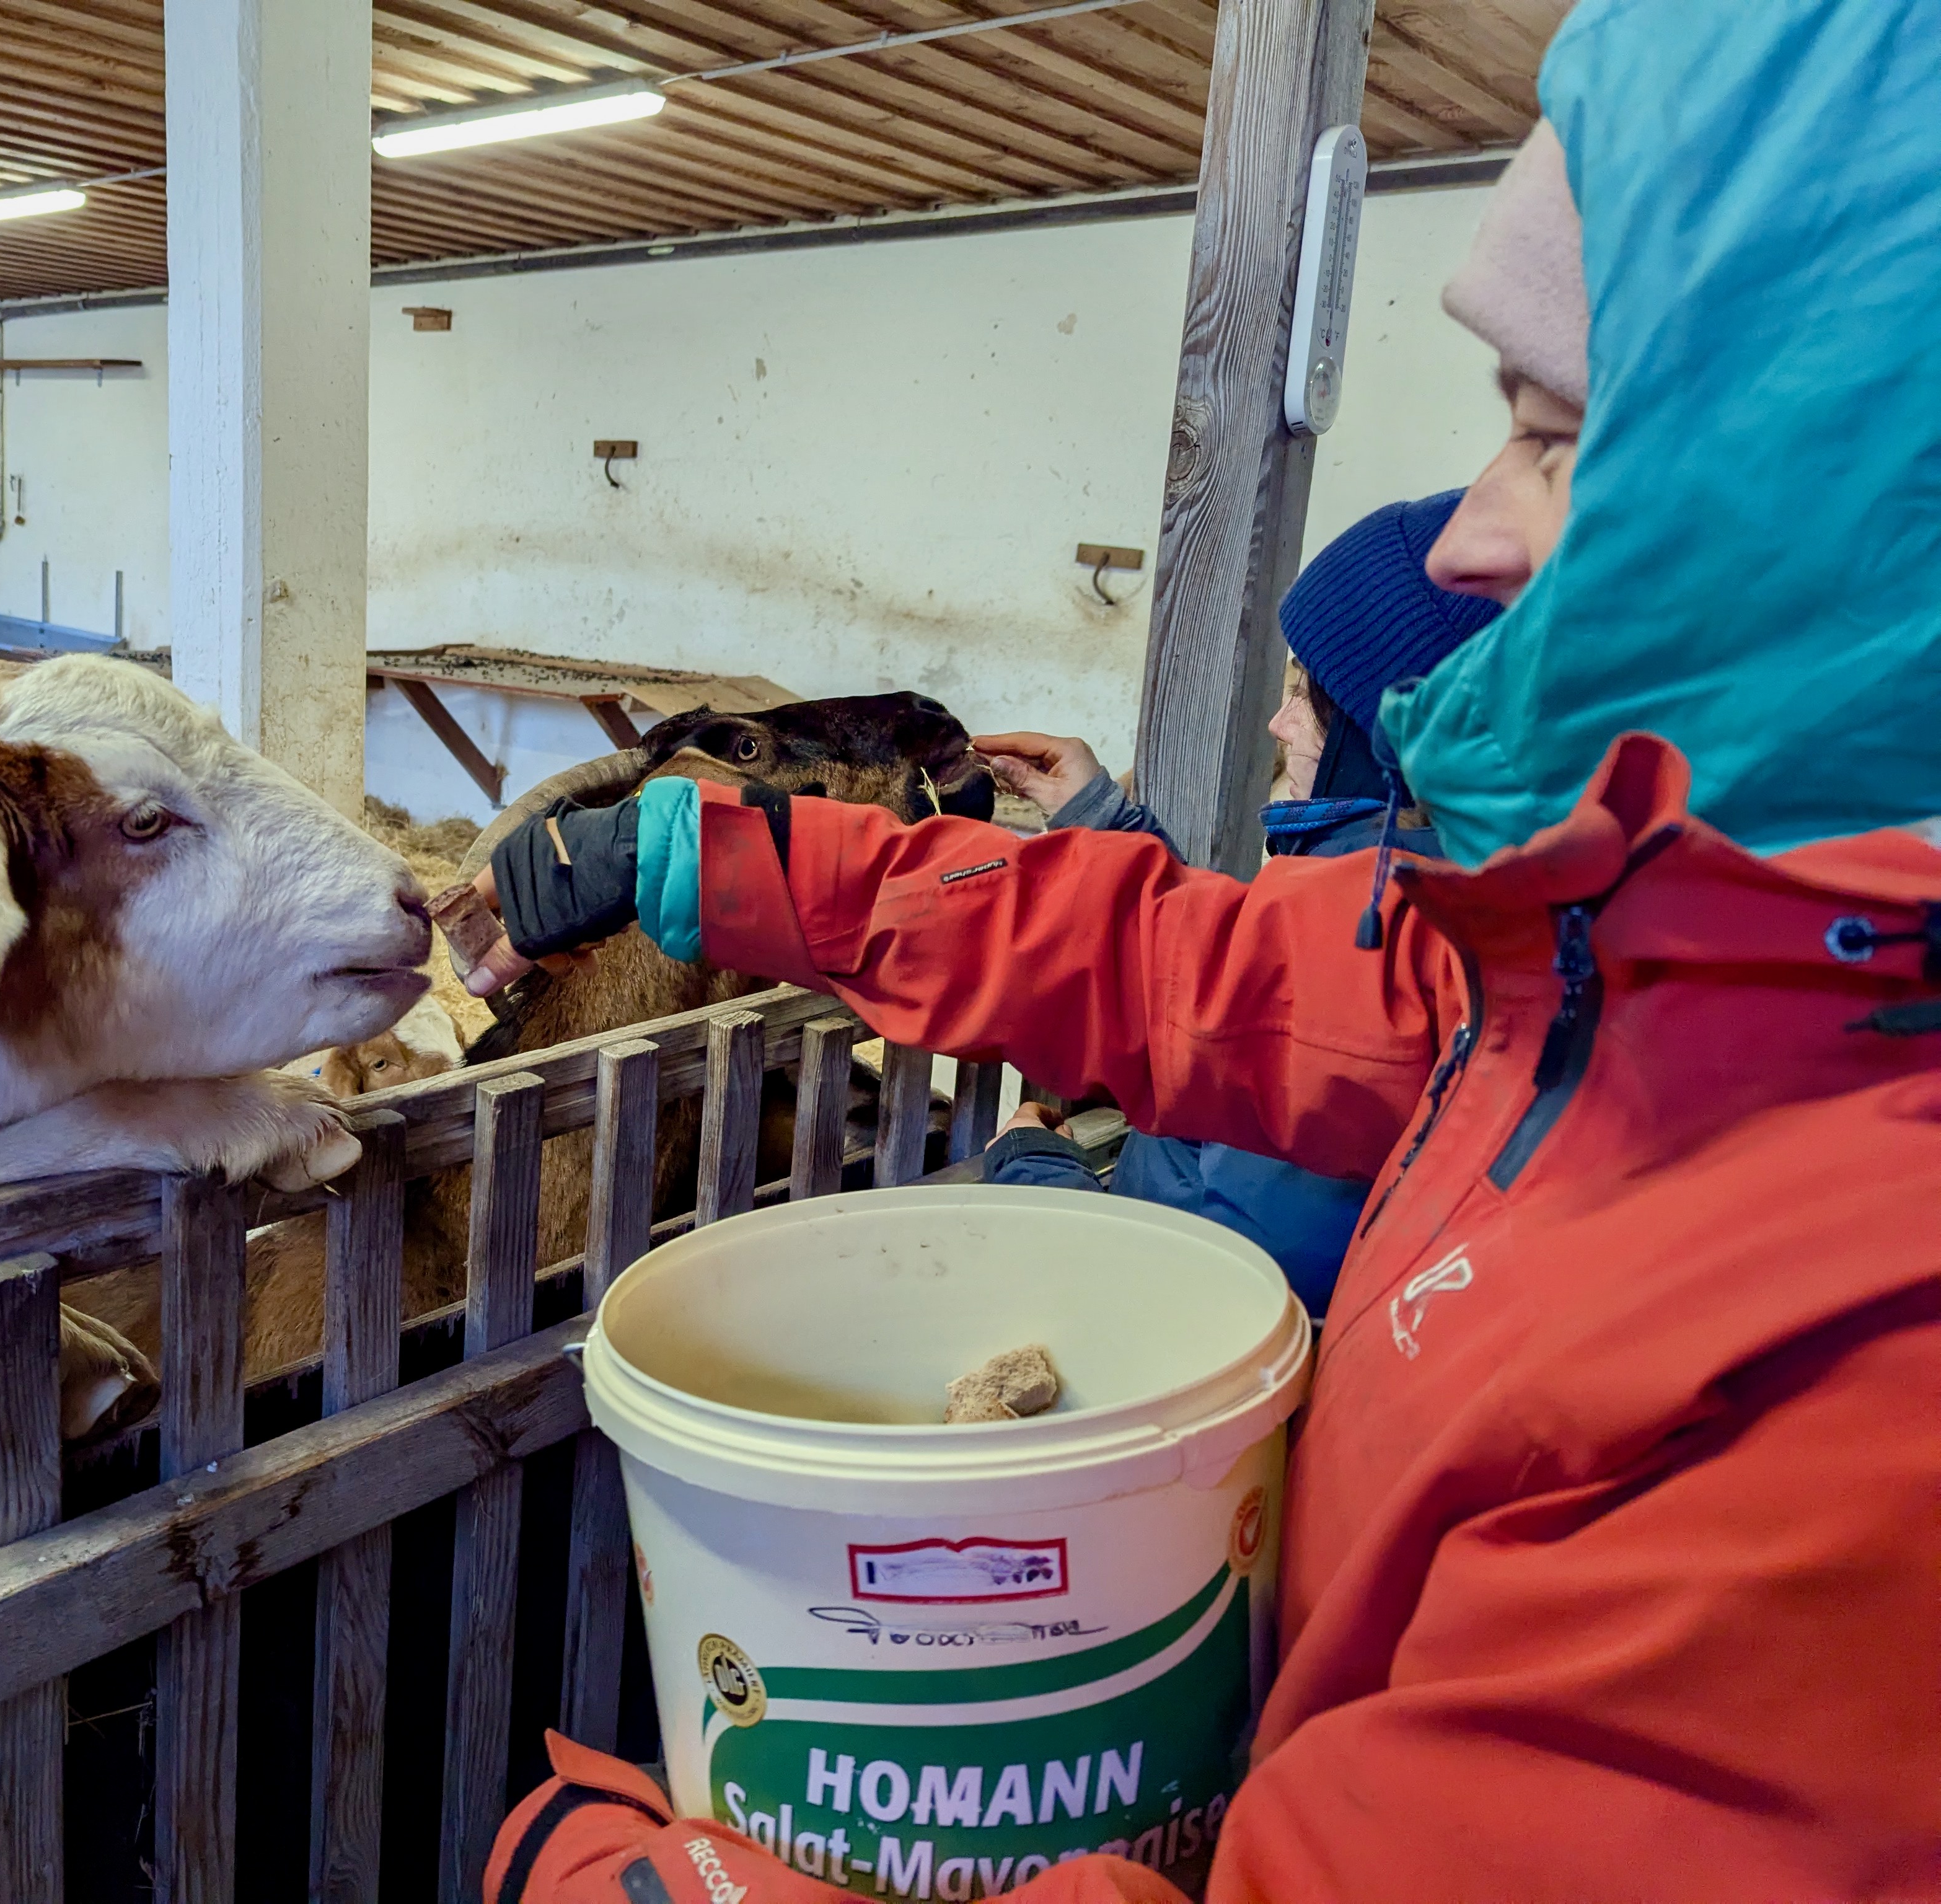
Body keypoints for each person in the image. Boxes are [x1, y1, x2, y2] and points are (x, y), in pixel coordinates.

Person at [472, 4, 1941, 1897]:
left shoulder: (1863, 1387)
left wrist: (660, 1885)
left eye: (1557, 441)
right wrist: (729, 856)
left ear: (1839, 504)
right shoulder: (1645, 987)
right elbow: (1203, 968)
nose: (1471, 536)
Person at [975, 491, 1499, 1318]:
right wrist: (1101, 818)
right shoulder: (1445, 891)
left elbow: (1190, 1283)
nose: (1278, 722)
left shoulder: (1382, 950)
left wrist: (1035, 1166)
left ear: (1383, 743)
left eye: (1308, 696)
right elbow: (1256, 982)